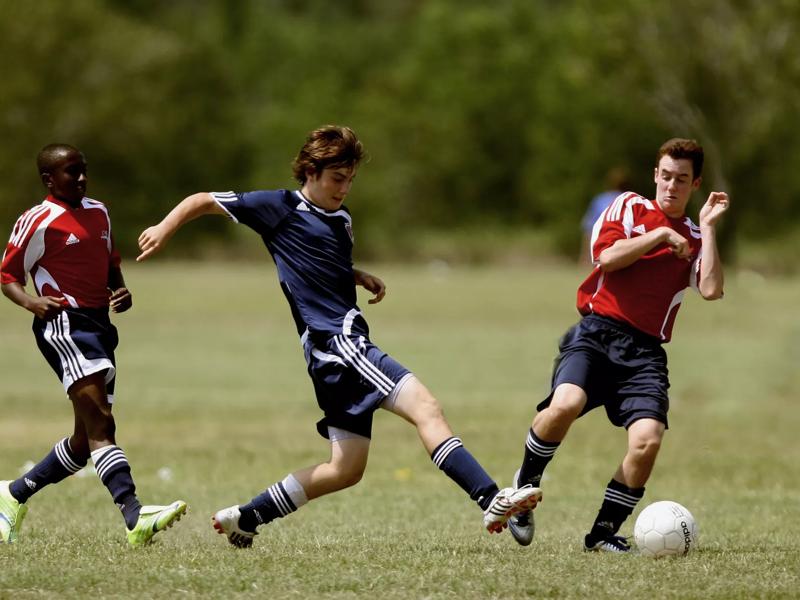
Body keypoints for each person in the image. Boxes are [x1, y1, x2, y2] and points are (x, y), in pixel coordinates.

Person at [136, 125, 541, 548]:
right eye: (336, 179)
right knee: (426, 407)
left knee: (345, 469)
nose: (344, 189)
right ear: (310, 171)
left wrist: (356, 275)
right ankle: (491, 498)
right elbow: (202, 201)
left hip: (329, 354)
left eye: (350, 180)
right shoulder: (278, 207)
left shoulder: (342, 220)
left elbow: (319, 264)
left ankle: (248, 517)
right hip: (340, 344)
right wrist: (165, 227)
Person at [508, 138, 729, 552]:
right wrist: (661, 234)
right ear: (655, 176)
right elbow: (607, 258)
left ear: (695, 183)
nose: (671, 186)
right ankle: (523, 489)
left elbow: (712, 289)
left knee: (647, 440)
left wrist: (710, 228)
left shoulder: (696, 237)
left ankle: (603, 533)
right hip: (596, 333)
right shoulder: (628, 206)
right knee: (565, 405)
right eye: (665, 176)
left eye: (682, 179)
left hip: (645, 353)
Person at [0, 144, 187, 547]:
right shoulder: (37, 220)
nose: (82, 178)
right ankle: (134, 515)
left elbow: (110, 262)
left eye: (83, 170)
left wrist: (120, 290)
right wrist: (32, 302)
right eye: (72, 172)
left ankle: (12, 495)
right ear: (49, 179)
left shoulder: (98, 211)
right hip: (63, 325)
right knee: (102, 422)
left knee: (85, 441)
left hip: (99, 324)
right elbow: (7, 275)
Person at [579, 167, 631, 264]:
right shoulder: (631, 201)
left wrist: (585, 256)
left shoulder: (600, 200)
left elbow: (589, 229)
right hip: (622, 250)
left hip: (601, 247)